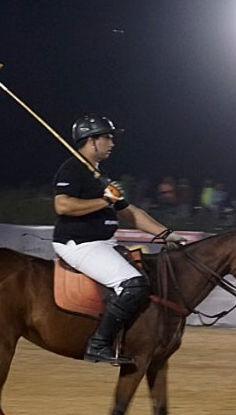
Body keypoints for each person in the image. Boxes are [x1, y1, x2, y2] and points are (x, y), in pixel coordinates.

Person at [51, 115, 185, 366]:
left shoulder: (100, 175)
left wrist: (166, 234)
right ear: (91, 141)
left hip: (103, 243)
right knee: (134, 284)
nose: (112, 143)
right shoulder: (73, 168)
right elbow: (63, 205)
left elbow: (131, 213)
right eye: (107, 137)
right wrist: (105, 201)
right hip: (79, 244)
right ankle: (98, 343)